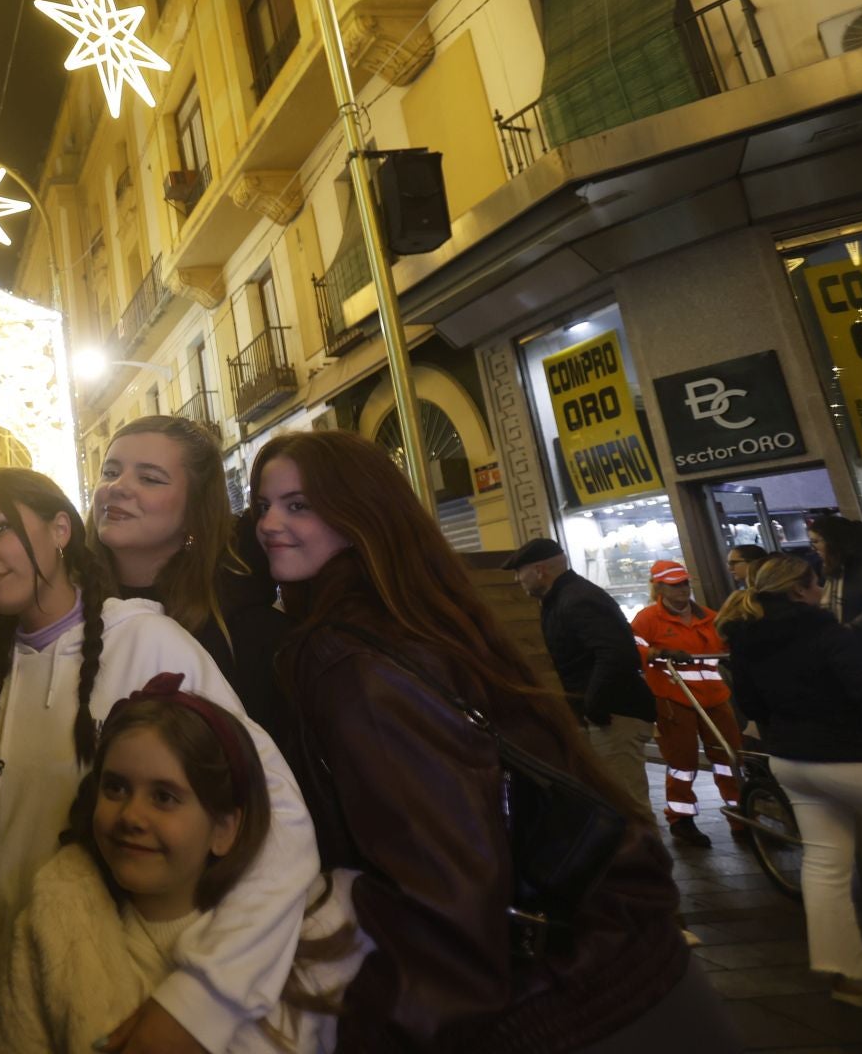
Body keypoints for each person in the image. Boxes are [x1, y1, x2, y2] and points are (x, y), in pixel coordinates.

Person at [258, 431, 734, 1049]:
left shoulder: (350, 656)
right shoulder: (417, 614)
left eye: (298, 506)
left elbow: (448, 895)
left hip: (578, 1007)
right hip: (634, 969)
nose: (269, 524)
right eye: (263, 505)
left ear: (362, 515)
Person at [0, 467, 318, 1054]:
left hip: (111, 1005)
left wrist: (201, 1000)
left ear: (61, 528)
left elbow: (277, 818)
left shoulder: (147, 644)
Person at [0, 673, 362, 1054]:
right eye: (115, 788)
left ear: (225, 829)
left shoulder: (302, 942)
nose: (131, 816)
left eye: (164, 797)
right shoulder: (54, 930)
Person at [719, 555, 862, 1009]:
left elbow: (751, 702)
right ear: (798, 589)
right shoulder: (823, 629)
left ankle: (848, 977)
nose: (820, 592)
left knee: (825, 867)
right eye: (816, 585)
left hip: (792, 763)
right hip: (854, 759)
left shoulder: (745, 638)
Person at [88, 415, 302, 767]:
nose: (118, 487)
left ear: (194, 510)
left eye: (150, 478)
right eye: (110, 472)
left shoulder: (251, 634)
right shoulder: (62, 613)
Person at [507, 536, 658, 817]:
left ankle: (647, 859)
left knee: (626, 804)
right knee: (611, 801)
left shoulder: (577, 599)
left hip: (615, 714)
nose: (518, 579)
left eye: (520, 571)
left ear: (540, 570)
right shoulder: (561, 599)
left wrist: (594, 705)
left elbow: (615, 654)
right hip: (603, 714)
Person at [631, 560, 747, 849]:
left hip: (714, 698)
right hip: (674, 698)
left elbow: (728, 647)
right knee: (683, 763)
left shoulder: (709, 617)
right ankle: (681, 820)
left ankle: (740, 816)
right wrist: (657, 651)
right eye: (674, 585)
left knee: (729, 758)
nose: (682, 589)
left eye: (684, 583)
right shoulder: (648, 619)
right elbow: (632, 647)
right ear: (659, 587)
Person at [807, 514, 862, 623]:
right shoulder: (838, 569)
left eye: (816, 541)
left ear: (833, 541)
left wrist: (850, 631)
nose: (813, 548)